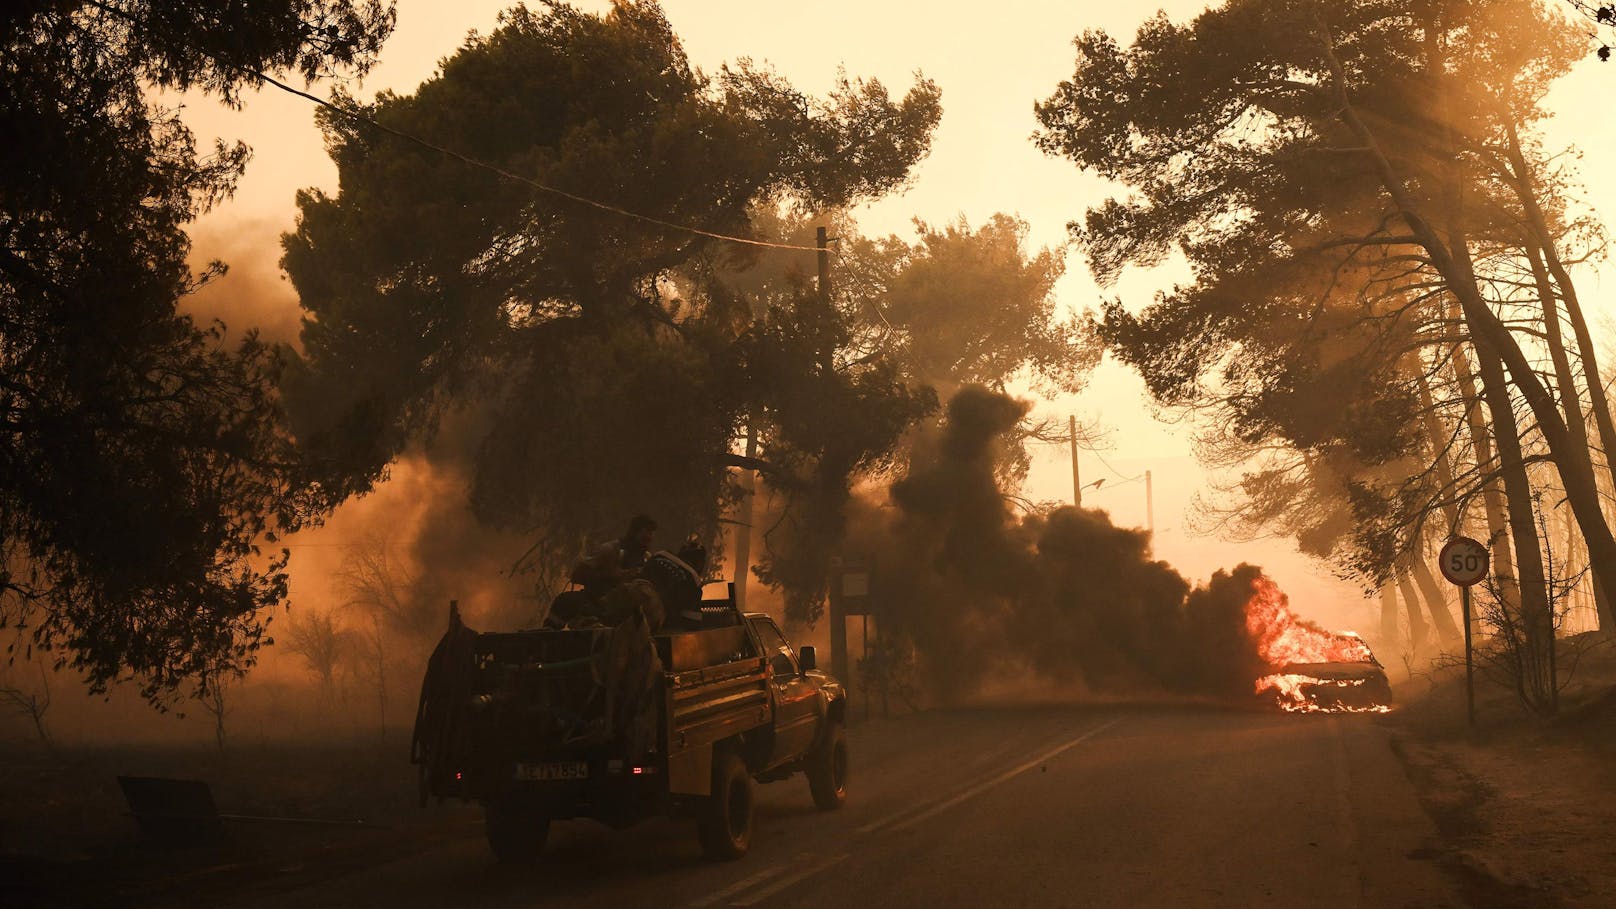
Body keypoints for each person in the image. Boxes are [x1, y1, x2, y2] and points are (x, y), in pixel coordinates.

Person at [570, 514, 658, 598]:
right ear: (634, 533)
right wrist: (612, 575)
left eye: (650, 535)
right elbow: (577, 575)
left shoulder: (646, 558)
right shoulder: (610, 550)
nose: (649, 538)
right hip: (599, 606)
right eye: (644, 536)